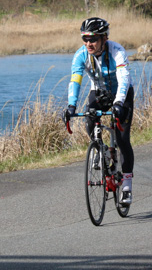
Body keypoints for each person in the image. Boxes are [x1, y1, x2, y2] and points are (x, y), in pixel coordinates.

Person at [62, 17, 135, 205]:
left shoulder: (117, 51)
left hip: (122, 92)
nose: (88, 43)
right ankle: (99, 149)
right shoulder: (81, 55)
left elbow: (124, 78)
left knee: (122, 138)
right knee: (89, 118)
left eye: (92, 39)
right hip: (99, 92)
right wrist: (71, 106)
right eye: (85, 39)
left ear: (104, 38)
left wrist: (119, 103)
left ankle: (126, 185)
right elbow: (75, 80)